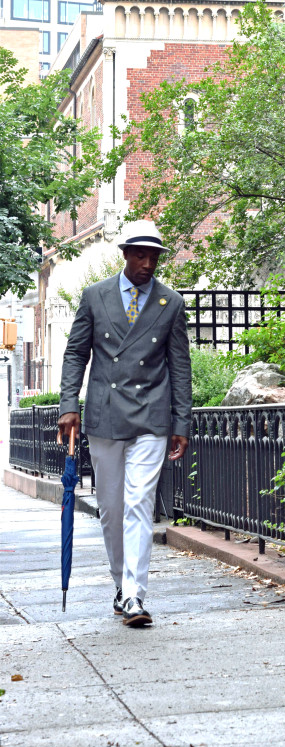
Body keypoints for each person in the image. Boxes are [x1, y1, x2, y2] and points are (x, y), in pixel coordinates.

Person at [58, 220, 192, 627]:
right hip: (105, 415)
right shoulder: (95, 296)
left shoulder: (171, 303)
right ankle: (121, 584)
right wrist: (69, 405)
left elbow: (180, 367)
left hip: (152, 415)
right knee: (112, 509)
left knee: (139, 504)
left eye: (154, 256)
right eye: (141, 255)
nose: (148, 263)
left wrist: (181, 423)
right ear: (125, 254)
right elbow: (76, 353)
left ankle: (135, 595)